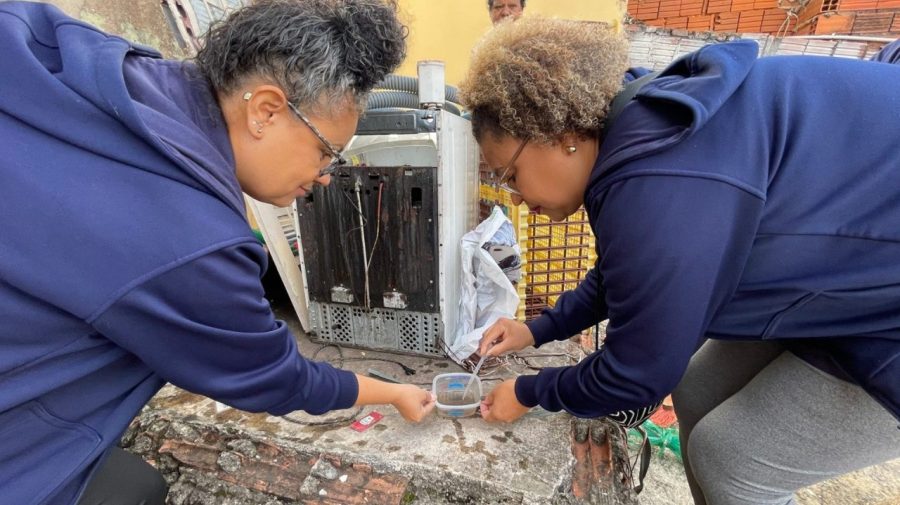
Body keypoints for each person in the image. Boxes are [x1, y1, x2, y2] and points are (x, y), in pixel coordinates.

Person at [0, 1, 436, 504]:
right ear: (265, 111)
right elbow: (275, 377)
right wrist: (396, 391)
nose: (323, 177)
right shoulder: (192, 242)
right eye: (324, 152)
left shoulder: (73, 54)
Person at [460, 17, 900, 505]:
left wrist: (527, 391)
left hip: (884, 305)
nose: (515, 198)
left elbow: (635, 374)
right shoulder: (642, 131)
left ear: (559, 131)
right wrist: (537, 330)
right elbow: (629, 276)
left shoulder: (657, 180)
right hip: (850, 267)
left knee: (733, 461)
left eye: (510, 175)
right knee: (697, 386)